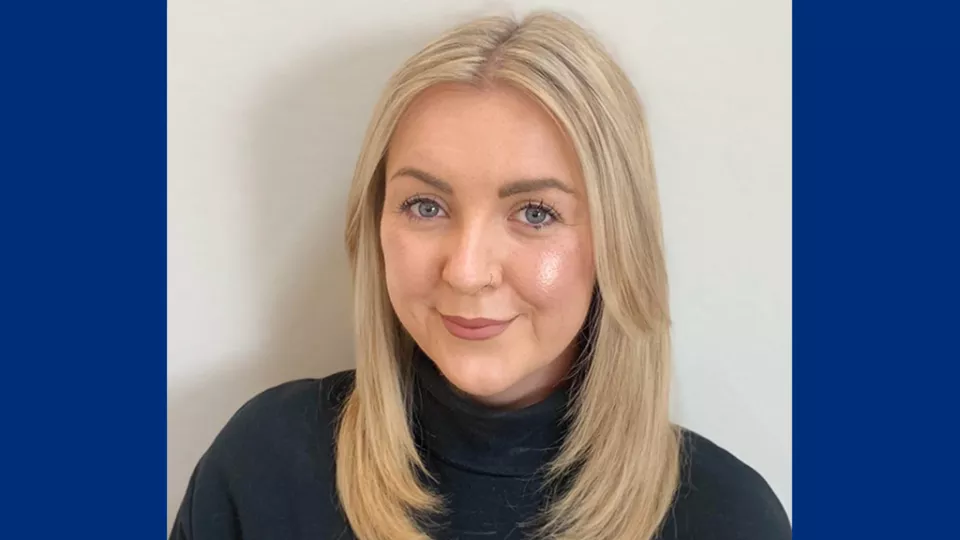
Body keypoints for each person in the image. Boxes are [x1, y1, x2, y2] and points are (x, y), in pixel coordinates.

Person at [170, 10, 791, 540]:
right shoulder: (265, 466)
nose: (466, 272)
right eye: (426, 205)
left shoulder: (728, 517)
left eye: (536, 213)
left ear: (616, 241)